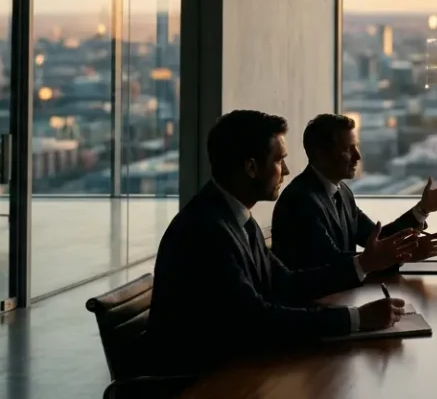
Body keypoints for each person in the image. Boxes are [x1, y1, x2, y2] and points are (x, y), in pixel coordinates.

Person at [148, 110, 417, 375]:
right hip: (203, 381)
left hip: (239, 365)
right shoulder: (205, 231)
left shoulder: (233, 217)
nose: (286, 170)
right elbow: (256, 320)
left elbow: (286, 283)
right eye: (279, 160)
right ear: (252, 167)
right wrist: (356, 319)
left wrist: (363, 265)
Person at [272, 113, 437, 271]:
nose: (358, 156)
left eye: (357, 147)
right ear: (321, 154)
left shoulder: (342, 192)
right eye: (348, 149)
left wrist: (422, 209)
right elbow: (332, 262)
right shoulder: (301, 200)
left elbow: (376, 238)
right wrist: (404, 254)